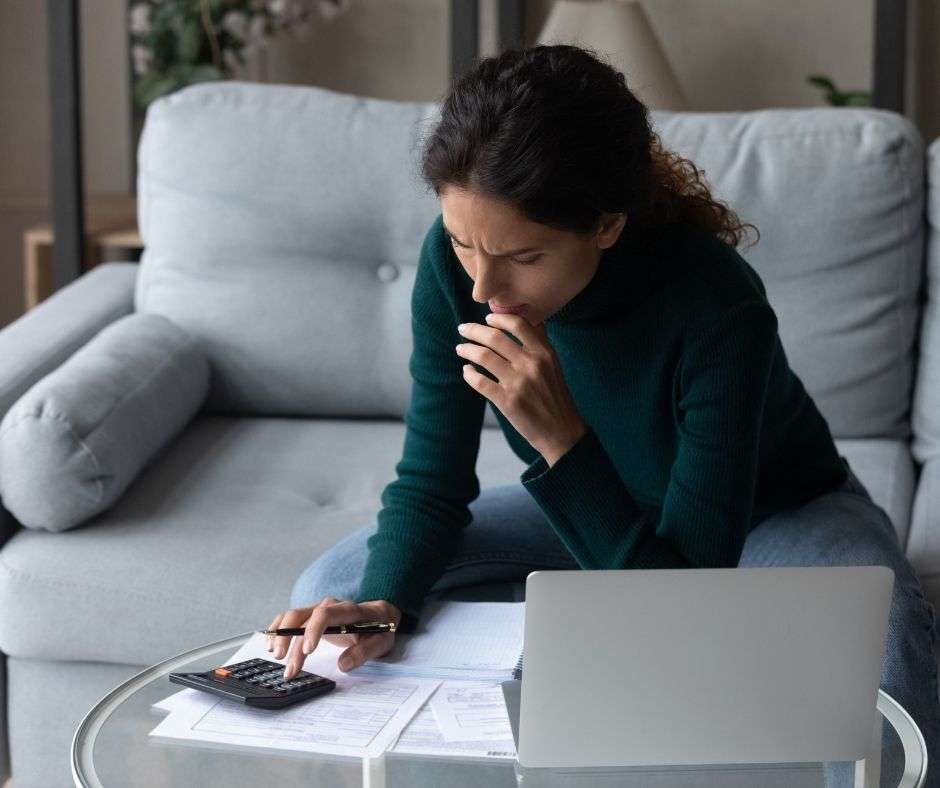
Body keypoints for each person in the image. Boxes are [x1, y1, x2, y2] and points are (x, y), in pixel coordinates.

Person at [267, 44, 940, 786]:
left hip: (770, 511)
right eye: (463, 243)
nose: (485, 287)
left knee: (884, 657)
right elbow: (431, 480)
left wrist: (559, 437)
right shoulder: (456, 268)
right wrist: (384, 606)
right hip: (595, 497)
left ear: (607, 226)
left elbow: (685, 595)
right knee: (334, 584)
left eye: (523, 256)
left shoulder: (716, 304)